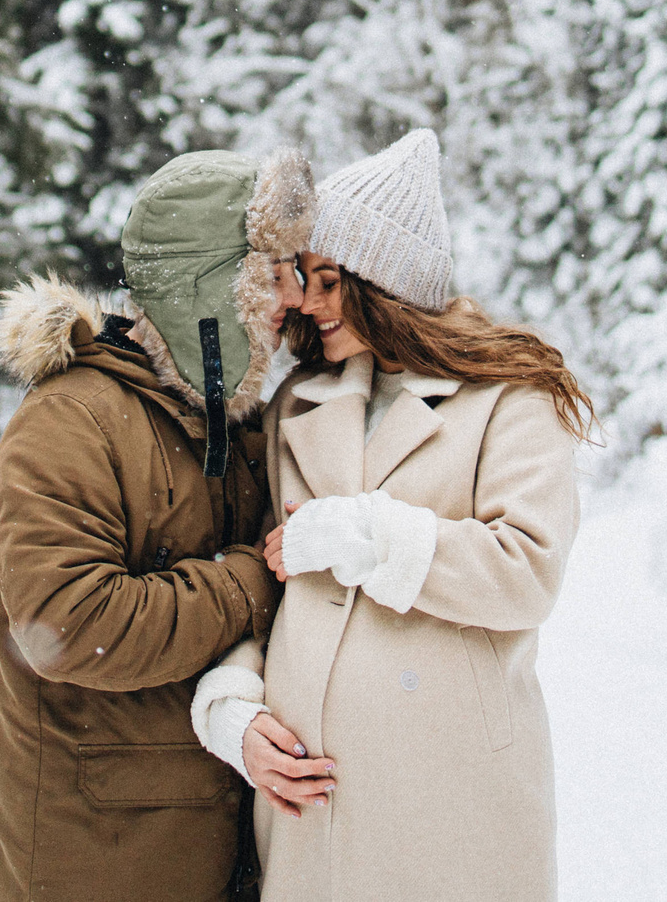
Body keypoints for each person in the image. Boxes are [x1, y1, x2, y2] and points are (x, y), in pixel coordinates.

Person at [189, 128, 591, 902]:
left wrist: (367, 535)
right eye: (307, 277)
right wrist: (233, 709)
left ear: (389, 279)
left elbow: (527, 570)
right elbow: (266, 582)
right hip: (315, 807)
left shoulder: (512, 395)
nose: (308, 300)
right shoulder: (296, 405)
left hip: (450, 805)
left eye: (332, 279)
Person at [0, 147, 318, 902]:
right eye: (270, 276)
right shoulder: (68, 423)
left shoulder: (235, 421)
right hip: (94, 861)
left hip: (211, 845)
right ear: (209, 291)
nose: (293, 296)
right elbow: (68, 622)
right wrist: (250, 579)